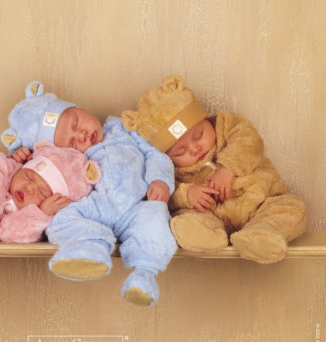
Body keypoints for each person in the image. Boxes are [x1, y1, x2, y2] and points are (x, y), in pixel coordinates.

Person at [1, 81, 177, 307]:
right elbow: (37, 170)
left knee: (155, 218)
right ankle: (89, 249)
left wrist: (160, 180)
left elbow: (156, 155)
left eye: (76, 122)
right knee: (60, 221)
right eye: (73, 142)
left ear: (77, 107)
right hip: (96, 208)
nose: (83, 135)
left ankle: (144, 275)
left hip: (137, 205)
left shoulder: (124, 128)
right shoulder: (74, 162)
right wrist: (18, 154)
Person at [121, 74, 307, 263]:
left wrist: (228, 169)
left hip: (260, 202)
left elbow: (249, 140)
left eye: (199, 135)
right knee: (185, 217)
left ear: (206, 121)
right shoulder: (166, 169)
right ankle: (206, 235)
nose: (195, 149)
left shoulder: (226, 126)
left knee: (292, 207)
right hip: (212, 216)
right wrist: (188, 194)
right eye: (181, 152)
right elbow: (164, 193)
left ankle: (261, 233)